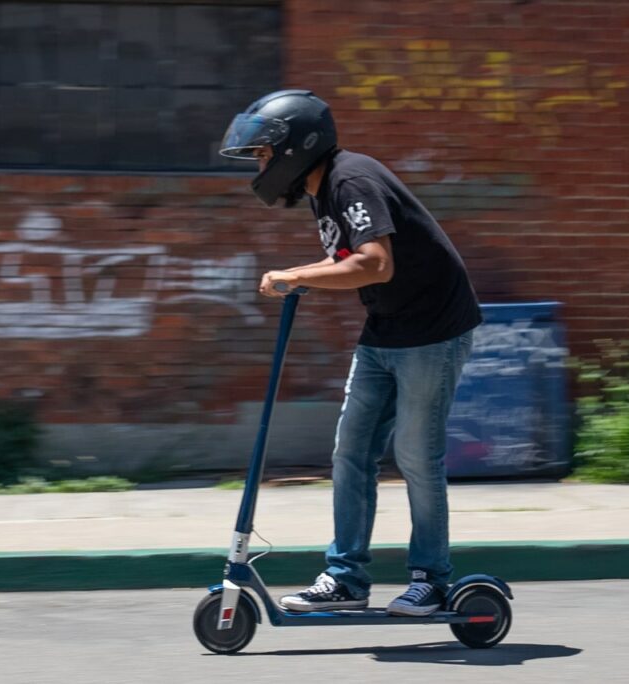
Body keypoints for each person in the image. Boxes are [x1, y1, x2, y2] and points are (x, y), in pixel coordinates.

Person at [219, 90, 482, 617]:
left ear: (298, 145)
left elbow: (375, 263)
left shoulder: (350, 179)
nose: (262, 165)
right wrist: (308, 277)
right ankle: (345, 579)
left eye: (266, 153)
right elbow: (349, 258)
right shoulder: (322, 187)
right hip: (386, 328)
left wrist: (295, 275)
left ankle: (431, 580)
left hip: (432, 330)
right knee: (351, 452)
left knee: (415, 456)